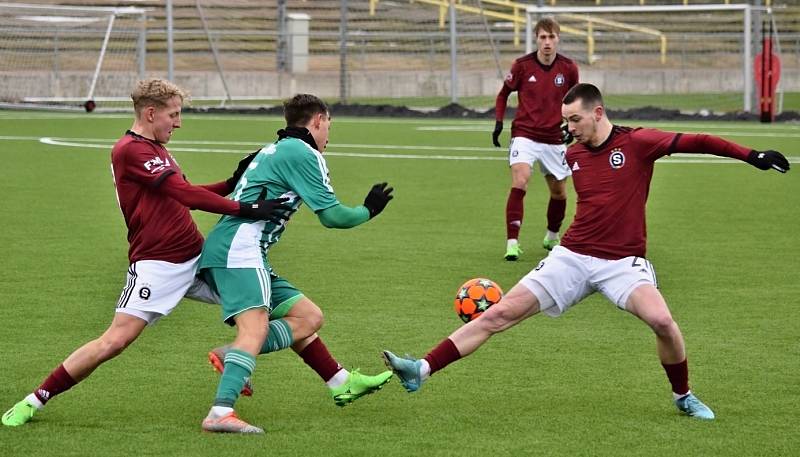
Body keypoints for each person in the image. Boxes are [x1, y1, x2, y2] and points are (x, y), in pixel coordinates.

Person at [384, 83, 790, 420]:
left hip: (622, 263)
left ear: (598, 112)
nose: (568, 127)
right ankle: (420, 368)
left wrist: (750, 155)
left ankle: (683, 395)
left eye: (574, 119)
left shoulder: (638, 142)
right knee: (500, 313)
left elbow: (698, 139)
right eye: (565, 121)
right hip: (573, 256)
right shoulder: (573, 152)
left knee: (663, 322)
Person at [1, 78, 290, 428]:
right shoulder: (131, 150)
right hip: (158, 264)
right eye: (174, 114)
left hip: (197, 257)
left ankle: (323, 376)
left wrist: (231, 183)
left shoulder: (156, 148)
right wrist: (244, 208)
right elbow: (185, 195)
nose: (179, 122)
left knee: (268, 307)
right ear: (151, 113)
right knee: (114, 341)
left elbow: (183, 192)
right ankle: (36, 399)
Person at [198, 93, 395, 434]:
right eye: (329, 124)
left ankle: (339, 380)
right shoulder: (305, 153)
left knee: (307, 317)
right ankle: (220, 410)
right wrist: (368, 210)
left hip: (239, 250)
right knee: (254, 329)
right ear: (317, 119)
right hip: (239, 251)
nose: (329, 133)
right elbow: (333, 217)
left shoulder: (274, 148)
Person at [493, 17, 579, 261]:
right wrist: (499, 122)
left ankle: (552, 236)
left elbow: (576, 100)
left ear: (558, 39)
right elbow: (503, 95)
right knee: (521, 179)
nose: (547, 42)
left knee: (560, 193)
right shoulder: (522, 65)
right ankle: (512, 243)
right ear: (536, 39)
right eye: (543, 37)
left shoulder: (569, 68)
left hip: (553, 138)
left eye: (551, 37)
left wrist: (571, 126)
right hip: (525, 135)